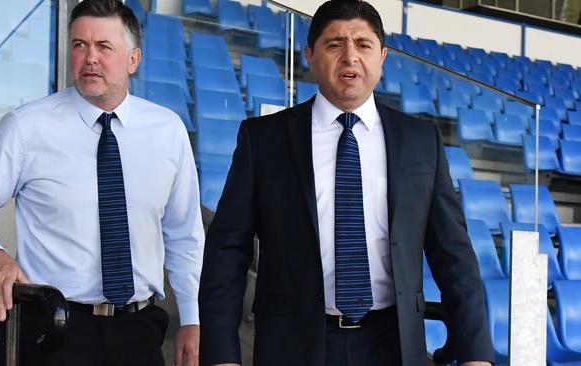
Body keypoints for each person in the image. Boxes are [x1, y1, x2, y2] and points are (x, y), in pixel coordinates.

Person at [198, 1, 493, 365]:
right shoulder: (264, 140)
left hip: (394, 344)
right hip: (293, 345)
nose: (350, 56)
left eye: (363, 44)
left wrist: (476, 355)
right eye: (335, 44)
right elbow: (226, 254)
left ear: (382, 56)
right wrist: (222, 356)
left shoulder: (421, 141)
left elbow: (455, 257)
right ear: (310, 55)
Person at [0, 1, 203, 365]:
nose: (90, 58)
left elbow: (184, 234)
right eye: (80, 45)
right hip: (53, 329)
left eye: (104, 47)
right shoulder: (27, 127)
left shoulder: (169, 131)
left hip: (139, 332)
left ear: (133, 59)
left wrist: (191, 318)